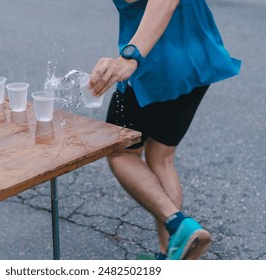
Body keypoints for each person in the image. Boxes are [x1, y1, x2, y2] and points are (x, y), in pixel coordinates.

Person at [89, 0, 241, 260]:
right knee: (161, 156)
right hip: (200, 56)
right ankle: (169, 256)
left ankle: (177, 224)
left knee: (121, 153)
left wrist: (131, 56)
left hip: (155, 65)